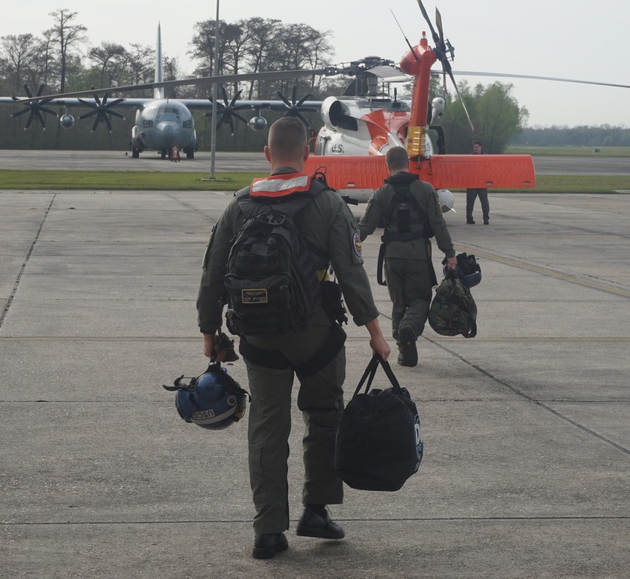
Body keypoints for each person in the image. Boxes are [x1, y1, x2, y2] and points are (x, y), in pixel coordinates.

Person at [197, 116, 392, 561]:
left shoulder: (239, 205)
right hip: (316, 333)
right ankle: (316, 511)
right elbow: (350, 271)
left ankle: (267, 530)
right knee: (323, 417)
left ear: (267, 155)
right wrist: (375, 332)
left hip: (260, 338)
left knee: (267, 428)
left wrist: (210, 332)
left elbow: (211, 276)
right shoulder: (327, 203)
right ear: (307, 152)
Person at [358, 146, 457, 367]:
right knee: (420, 300)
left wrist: (345, 248)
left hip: (392, 258)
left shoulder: (381, 193)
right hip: (417, 256)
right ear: (408, 163)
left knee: (399, 303)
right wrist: (449, 253)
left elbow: (363, 228)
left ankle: (405, 351)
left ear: (387, 165)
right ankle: (408, 330)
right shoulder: (426, 190)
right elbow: (438, 225)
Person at [465, 140, 490, 225]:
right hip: (472, 183)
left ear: (480, 147)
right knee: (470, 202)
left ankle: (486, 218)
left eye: (477, 147)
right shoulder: (470, 157)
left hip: (482, 183)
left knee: (484, 201)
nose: (475, 149)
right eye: (474, 147)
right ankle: (469, 218)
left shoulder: (486, 157)